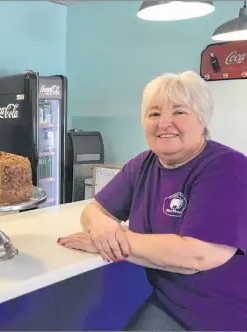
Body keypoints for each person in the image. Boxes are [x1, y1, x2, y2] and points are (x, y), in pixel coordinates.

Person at [58, 71, 247, 331]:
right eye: (154, 114)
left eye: (179, 112)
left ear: (202, 119)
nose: (164, 123)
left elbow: (198, 255)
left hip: (226, 313)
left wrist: (115, 241)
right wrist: (102, 229)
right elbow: (95, 210)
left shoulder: (227, 168)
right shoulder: (142, 164)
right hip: (170, 304)